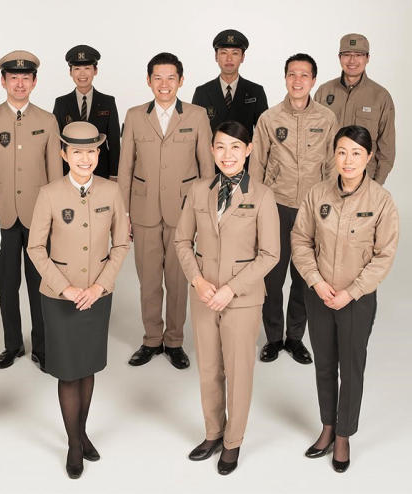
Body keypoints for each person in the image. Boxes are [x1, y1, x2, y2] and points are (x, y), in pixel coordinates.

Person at [174, 121, 279, 475]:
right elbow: (182, 241)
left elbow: (270, 254)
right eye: (220, 147)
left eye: (236, 147)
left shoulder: (262, 196)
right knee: (208, 369)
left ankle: (233, 442)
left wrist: (230, 289)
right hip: (204, 295)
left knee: (238, 372)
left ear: (248, 150)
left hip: (241, 299)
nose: (227, 154)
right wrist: (197, 281)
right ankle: (213, 433)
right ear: (212, 150)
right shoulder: (198, 190)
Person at [292, 125, 398, 473]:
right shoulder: (317, 194)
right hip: (319, 295)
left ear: (369, 157)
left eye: (356, 153)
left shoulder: (381, 201)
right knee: (324, 363)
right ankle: (327, 426)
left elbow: (384, 256)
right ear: (333, 155)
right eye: (341, 152)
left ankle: (343, 434)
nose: (348, 160)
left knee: (350, 368)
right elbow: (301, 241)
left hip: (357, 299)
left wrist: (351, 292)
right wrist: (316, 282)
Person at [27, 122, 130, 479]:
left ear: (98, 154)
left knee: (88, 367)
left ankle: (82, 433)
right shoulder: (49, 194)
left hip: (97, 296)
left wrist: (100, 287)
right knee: (69, 373)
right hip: (61, 299)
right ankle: (74, 443)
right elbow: (35, 248)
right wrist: (65, 289)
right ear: (64, 154)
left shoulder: (112, 191)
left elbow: (121, 243)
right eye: (77, 152)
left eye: (91, 152)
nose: (85, 159)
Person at [117, 52, 214, 369]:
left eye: (171, 77)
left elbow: (207, 170)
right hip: (143, 211)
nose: (164, 84)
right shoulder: (134, 115)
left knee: (178, 281)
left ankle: (174, 341)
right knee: (148, 281)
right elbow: (125, 167)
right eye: (157, 77)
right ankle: (151, 339)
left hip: (183, 213)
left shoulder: (197, 116)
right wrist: (123, 215)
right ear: (148, 81)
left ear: (181, 81)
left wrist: (204, 216)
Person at [0, 50, 63, 371]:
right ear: (3, 81)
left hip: (39, 217)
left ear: (35, 82)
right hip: (1, 217)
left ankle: (42, 346)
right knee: (7, 286)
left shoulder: (47, 121)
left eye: (26, 78)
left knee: (40, 285)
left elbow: (56, 176)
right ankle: (12, 345)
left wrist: (56, 220)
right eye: (14, 78)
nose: (20, 84)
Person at [248, 53, 338, 365]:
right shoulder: (269, 119)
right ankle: (274, 338)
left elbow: (332, 166)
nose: (297, 80)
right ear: (285, 78)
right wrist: (254, 209)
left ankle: (295, 338)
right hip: (276, 206)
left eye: (304, 75)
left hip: (312, 210)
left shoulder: (326, 119)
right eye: (292, 74)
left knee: (304, 277)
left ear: (313, 80)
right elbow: (257, 165)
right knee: (272, 277)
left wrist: (330, 206)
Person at [315, 34, 396, 184]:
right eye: (347, 54)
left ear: (367, 58)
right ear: (339, 57)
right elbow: (313, 140)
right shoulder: (324, 92)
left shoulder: (381, 97)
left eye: (358, 55)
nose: (352, 61)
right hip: (327, 181)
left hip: (364, 181)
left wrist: (375, 185)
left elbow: (387, 149)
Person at [52, 45, 121, 179]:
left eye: (87, 68)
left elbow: (114, 142)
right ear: (70, 72)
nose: (82, 74)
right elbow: (56, 143)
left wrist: (114, 174)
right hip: (69, 172)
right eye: (77, 69)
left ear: (95, 71)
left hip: (101, 171)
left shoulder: (108, 102)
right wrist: (56, 175)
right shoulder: (61, 103)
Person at [191, 30, 268, 139]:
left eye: (235, 53)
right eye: (224, 53)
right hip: (212, 150)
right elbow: (195, 134)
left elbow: (264, 135)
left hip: (245, 150)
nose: (229, 59)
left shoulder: (256, 91)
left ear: (242, 57)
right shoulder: (202, 92)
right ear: (216, 56)